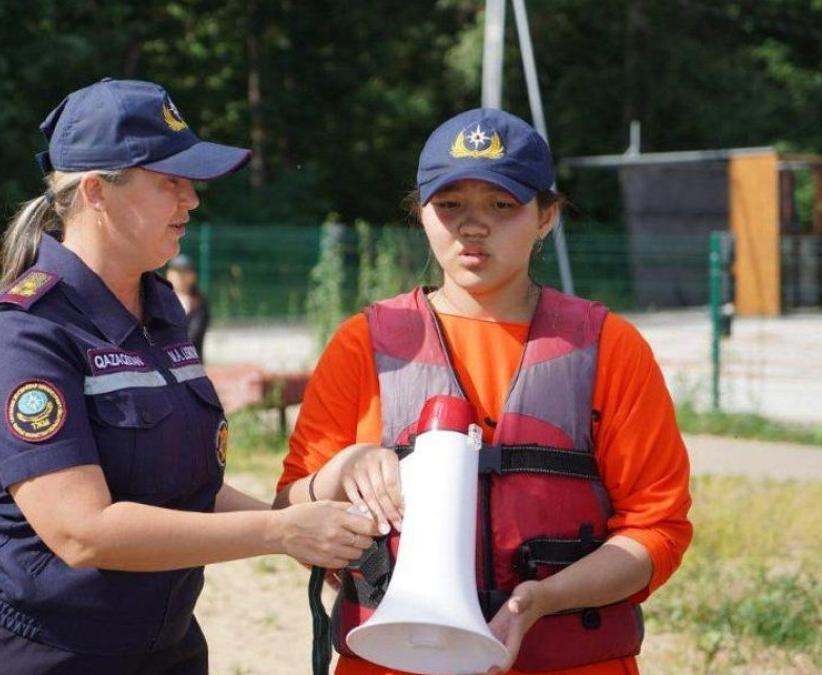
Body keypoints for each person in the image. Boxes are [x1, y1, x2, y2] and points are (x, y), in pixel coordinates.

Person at [0, 78, 376, 675]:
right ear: (96, 192)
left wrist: (314, 521)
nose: (190, 199)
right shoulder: (29, 331)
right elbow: (81, 532)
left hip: (162, 647)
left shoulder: (162, 308)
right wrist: (281, 532)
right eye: (170, 181)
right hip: (37, 652)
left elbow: (185, 488)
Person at [274, 109, 693, 675]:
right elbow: (289, 515)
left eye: (502, 205)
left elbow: (657, 528)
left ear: (547, 216)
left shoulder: (609, 347)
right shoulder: (362, 344)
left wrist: (539, 601)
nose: (473, 226)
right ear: (420, 213)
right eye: (451, 205)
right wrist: (337, 471)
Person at [165, 254, 210, 361]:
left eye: (184, 272)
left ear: (193, 276)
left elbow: (194, 336)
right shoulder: (159, 300)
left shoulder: (199, 303)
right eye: (176, 272)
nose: (179, 277)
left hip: (191, 362)